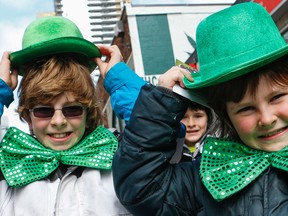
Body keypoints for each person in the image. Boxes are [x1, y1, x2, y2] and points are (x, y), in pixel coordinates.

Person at [108, 2, 288, 215]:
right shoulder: (209, 175)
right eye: (245, 109)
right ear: (226, 115)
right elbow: (142, 191)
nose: (266, 119)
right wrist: (162, 101)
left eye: (277, 97)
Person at [0, 16, 130, 215]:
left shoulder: (123, 159)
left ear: (88, 110)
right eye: (44, 110)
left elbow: (160, 138)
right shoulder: (7, 168)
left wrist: (123, 84)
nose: (59, 121)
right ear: (28, 115)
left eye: (72, 109)